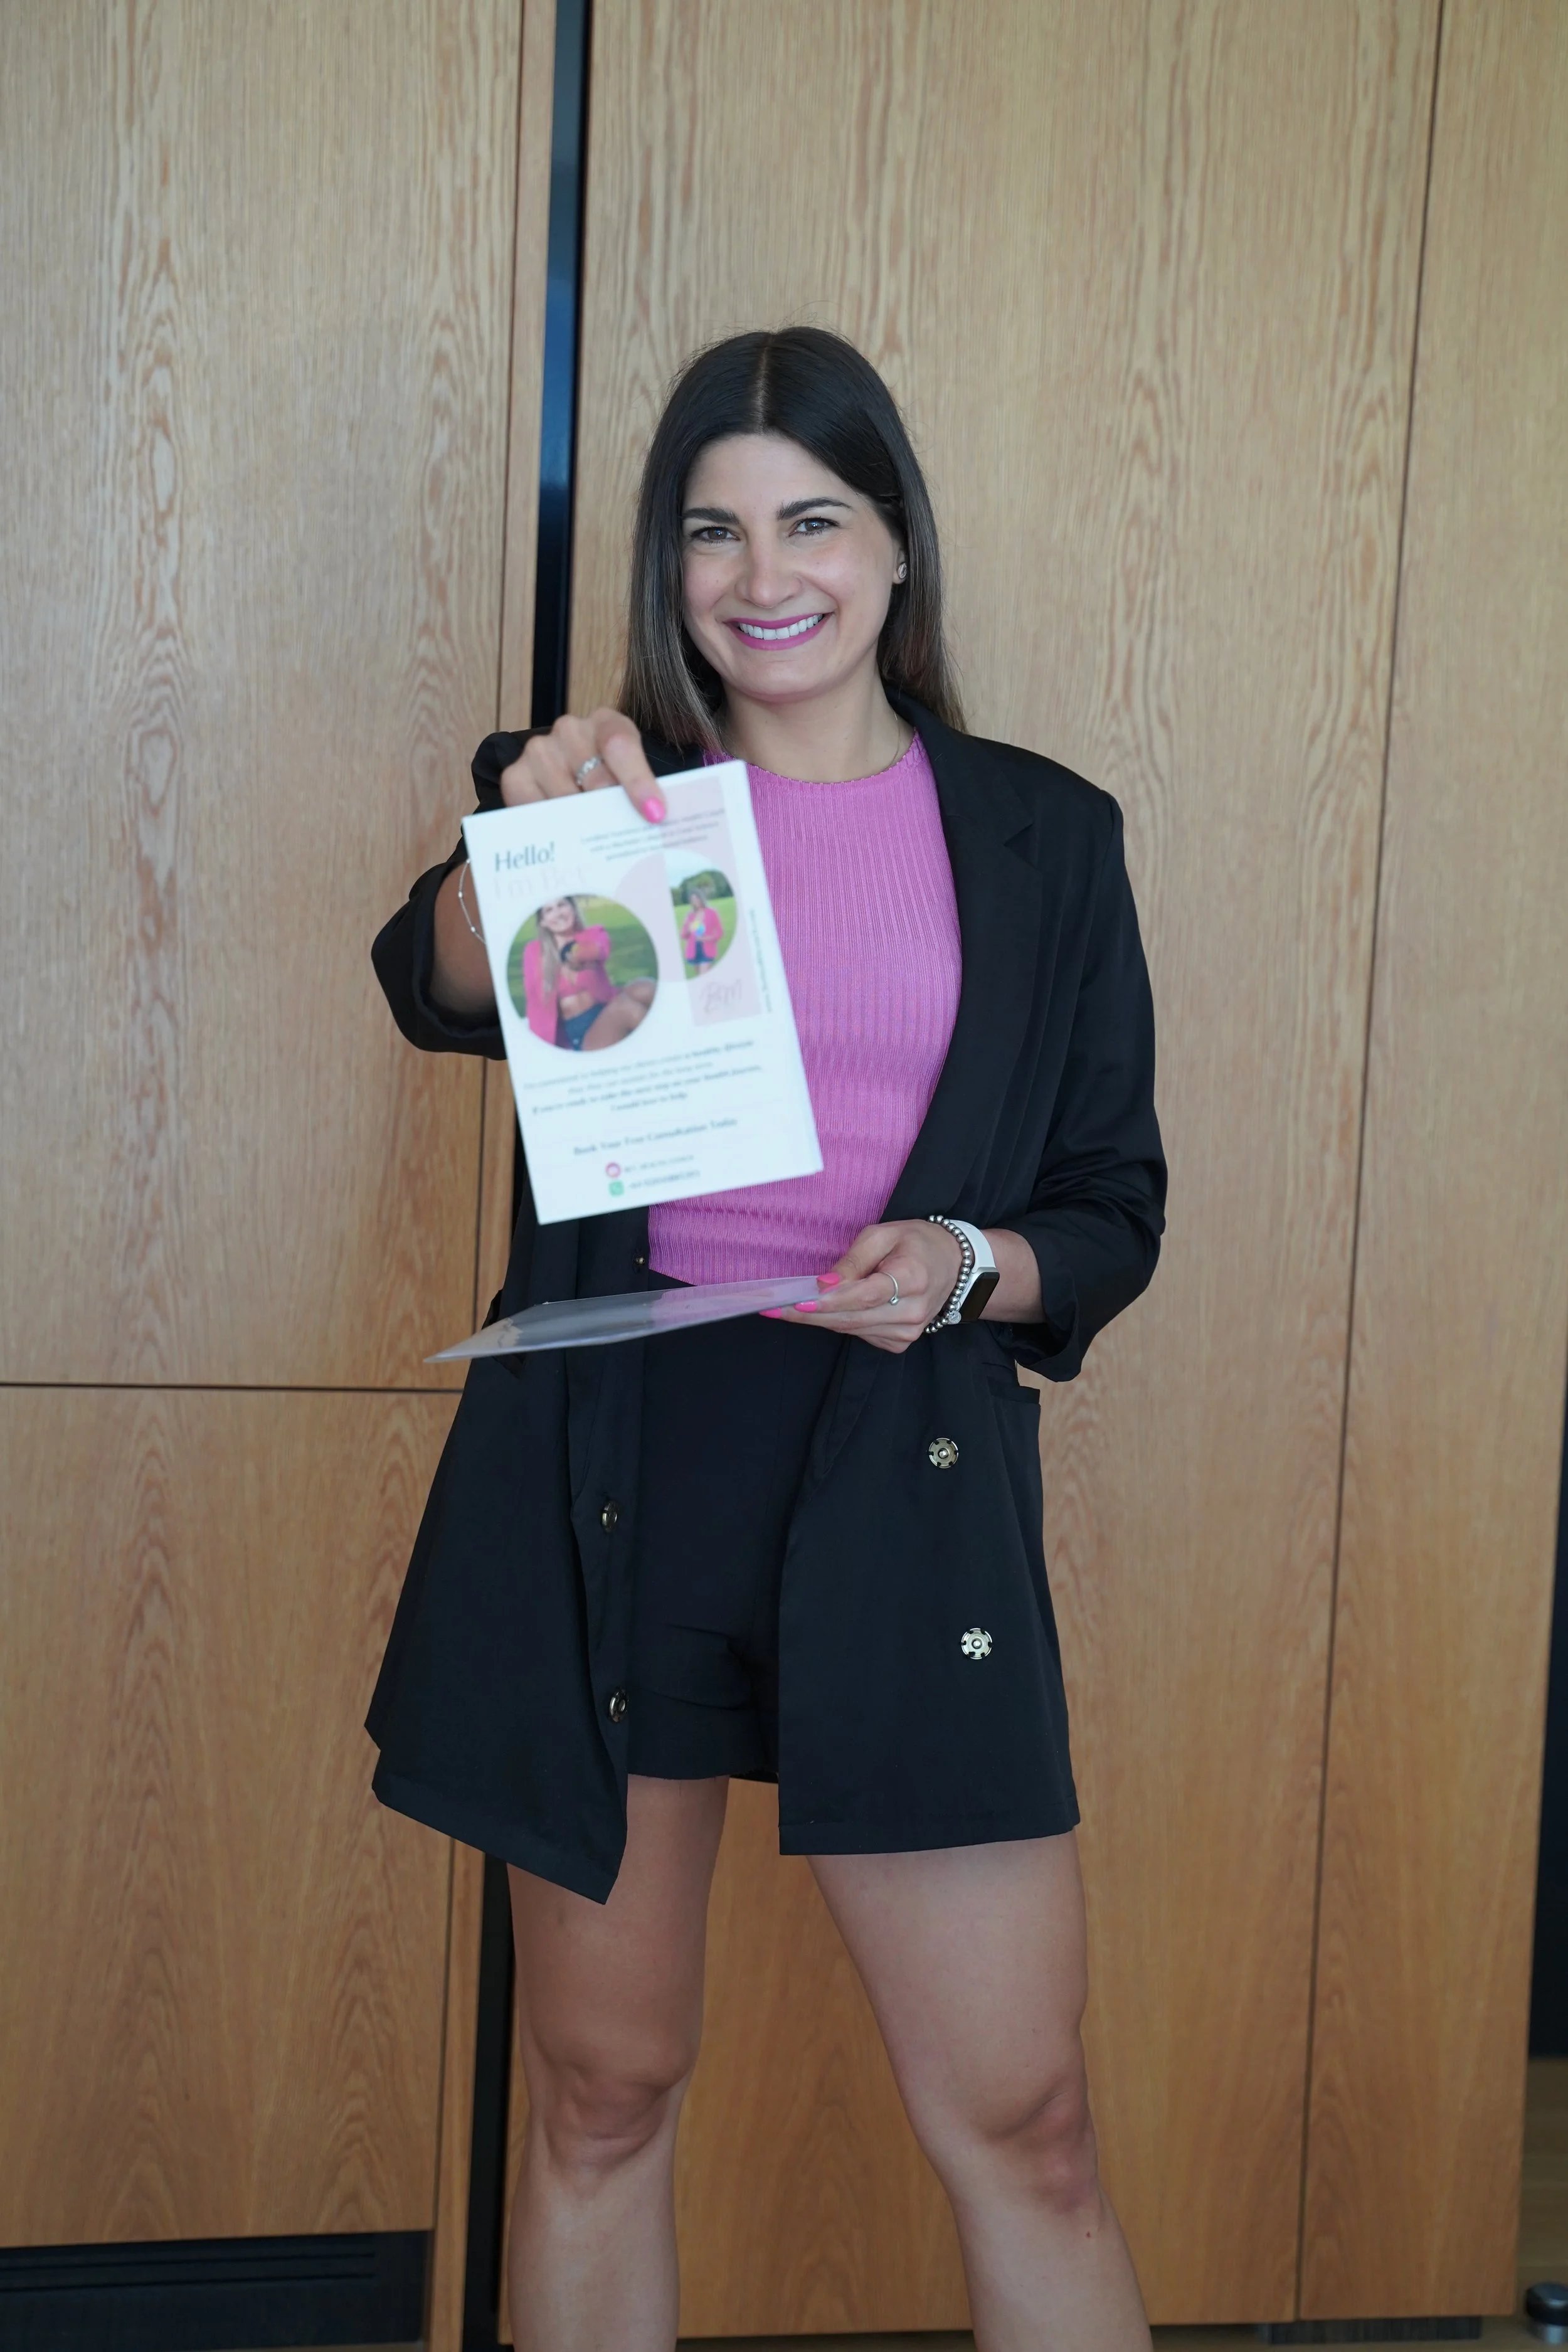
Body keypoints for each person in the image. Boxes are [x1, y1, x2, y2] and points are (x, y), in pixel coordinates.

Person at [368, 326, 1165, 2352]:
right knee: (600, 2093)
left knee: (1031, 2126)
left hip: (907, 1483)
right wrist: (517, 836)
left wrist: (969, 1262)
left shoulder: (1045, 836)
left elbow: (1109, 1209)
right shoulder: (608, 800)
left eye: (811, 519)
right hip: (623, 1472)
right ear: (669, 565)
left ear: (896, 547)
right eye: (710, 531)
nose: (762, 572)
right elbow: (432, 979)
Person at [521, 894, 654, 1050]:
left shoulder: (593, 934)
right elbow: (535, 1001)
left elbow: (601, 950)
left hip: (604, 1010)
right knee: (625, 1009)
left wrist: (581, 954)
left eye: (562, 905)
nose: (558, 914)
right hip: (578, 1033)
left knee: (646, 987)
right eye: (549, 910)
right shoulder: (534, 952)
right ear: (543, 922)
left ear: (573, 908)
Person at [679, 881, 724, 970]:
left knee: (704, 972)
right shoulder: (690, 916)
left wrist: (706, 938)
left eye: (697, 899)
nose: (695, 902)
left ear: (701, 899)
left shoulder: (712, 913)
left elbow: (720, 932)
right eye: (693, 900)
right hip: (693, 951)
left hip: (707, 950)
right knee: (700, 975)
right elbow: (683, 935)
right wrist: (688, 930)